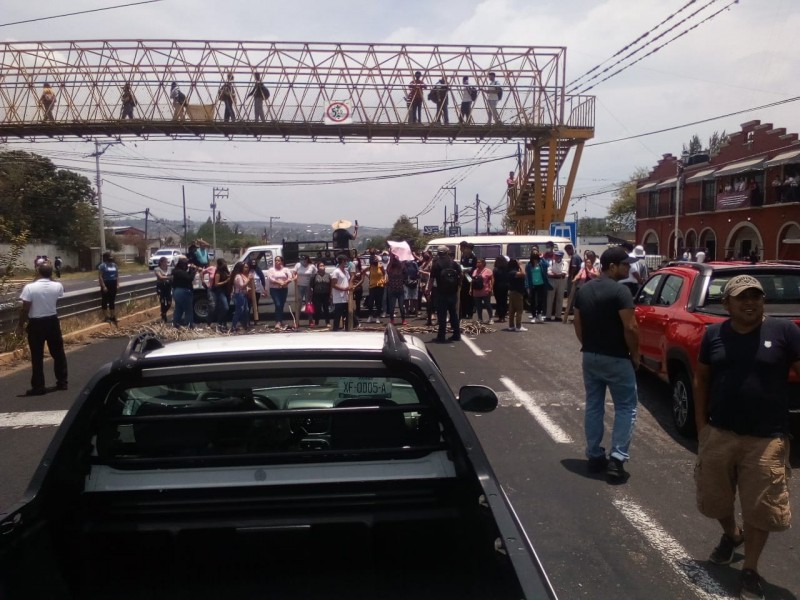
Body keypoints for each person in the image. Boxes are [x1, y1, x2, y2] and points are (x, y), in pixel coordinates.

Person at [693, 275, 800, 600]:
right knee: (714, 500)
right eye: (742, 298)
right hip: (720, 433)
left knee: (760, 507)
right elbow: (701, 378)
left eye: (756, 296)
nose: (750, 302)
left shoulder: (784, 331)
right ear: (727, 304)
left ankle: (750, 569)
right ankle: (732, 534)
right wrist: (701, 426)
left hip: (766, 438)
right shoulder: (713, 334)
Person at [573, 246, 640, 483]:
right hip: (617, 358)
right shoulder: (621, 292)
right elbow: (630, 327)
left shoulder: (584, 290)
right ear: (612, 266)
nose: (629, 268)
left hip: (590, 356)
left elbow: (577, 323)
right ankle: (617, 459)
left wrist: (589, 345)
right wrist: (635, 354)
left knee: (594, 404)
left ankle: (594, 455)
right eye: (625, 264)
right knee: (625, 407)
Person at [16, 261, 68, 396]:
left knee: (37, 356)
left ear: (38, 272)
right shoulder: (58, 286)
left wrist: (20, 325)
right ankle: (62, 382)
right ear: (51, 273)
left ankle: (39, 386)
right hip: (52, 321)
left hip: (36, 323)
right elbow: (58, 295)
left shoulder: (29, 288)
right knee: (58, 353)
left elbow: (25, 308)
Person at [428, 245, 462, 343]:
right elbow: (461, 275)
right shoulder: (454, 263)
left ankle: (441, 336)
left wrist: (428, 291)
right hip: (452, 292)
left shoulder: (436, 264)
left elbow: (431, 279)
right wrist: (458, 285)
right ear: (447, 252)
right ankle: (456, 334)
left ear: (438, 253)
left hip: (441, 293)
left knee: (442, 315)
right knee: (453, 314)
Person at [266, 256, 293, 330]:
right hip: (274, 290)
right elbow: (270, 278)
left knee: (281, 305)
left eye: (279, 260)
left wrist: (285, 283)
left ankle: (280, 320)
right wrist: (279, 282)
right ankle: (277, 322)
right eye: (276, 260)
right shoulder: (271, 270)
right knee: (277, 304)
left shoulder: (286, 269)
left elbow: (290, 277)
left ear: (282, 261)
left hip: (284, 289)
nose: (277, 262)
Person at [525, 251, 550, 323]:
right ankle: (534, 316)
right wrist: (527, 286)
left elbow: (547, 264)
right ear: (531, 258)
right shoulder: (528, 265)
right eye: (534, 258)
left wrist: (542, 258)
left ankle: (539, 313)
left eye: (536, 257)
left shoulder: (541, 263)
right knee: (532, 301)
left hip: (541, 284)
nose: (535, 259)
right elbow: (527, 276)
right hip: (532, 284)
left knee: (540, 300)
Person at [171, 257, 196, 328]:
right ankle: (189, 325)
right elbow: (189, 278)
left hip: (176, 291)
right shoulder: (179, 272)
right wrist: (192, 270)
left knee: (179, 309)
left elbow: (186, 276)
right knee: (188, 309)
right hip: (183, 291)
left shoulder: (176, 271)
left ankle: (175, 324)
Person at [385, 251, 407, 326]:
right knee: (395, 306)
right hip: (395, 289)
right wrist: (392, 258)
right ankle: (396, 320)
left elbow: (403, 265)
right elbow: (388, 269)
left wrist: (395, 257)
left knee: (398, 306)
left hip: (397, 290)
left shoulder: (398, 268)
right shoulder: (393, 269)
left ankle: (400, 320)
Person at [330, 254, 352, 331]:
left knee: (347, 314)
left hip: (346, 297)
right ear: (342, 261)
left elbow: (348, 282)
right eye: (346, 261)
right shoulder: (336, 272)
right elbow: (333, 284)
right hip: (339, 297)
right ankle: (335, 329)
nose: (347, 263)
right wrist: (343, 289)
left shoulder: (346, 272)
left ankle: (347, 329)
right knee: (338, 315)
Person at [545, 250, 568, 321]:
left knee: (560, 298)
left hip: (561, 281)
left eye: (558, 255)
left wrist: (554, 274)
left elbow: (563, 273)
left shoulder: (565, 263)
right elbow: (548, 273)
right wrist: (557, 274)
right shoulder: (551, 262)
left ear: (561, 256)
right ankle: (548, 316)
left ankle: (558, 316)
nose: (556, 257)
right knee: (550, 298)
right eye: (556, 255)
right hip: (552, 281)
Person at [471, 257, 494, 324]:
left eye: (479, 262)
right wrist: (470, 289)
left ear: (483, 263)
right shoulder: (475, 271)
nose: (477, 263)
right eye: (477, 262)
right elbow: (472, 281)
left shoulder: (488, 270)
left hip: (485, 291)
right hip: (476, 291)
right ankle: (480, 319)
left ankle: (491, 318)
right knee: (478, 306)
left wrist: (491, 287)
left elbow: (492, 279)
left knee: (487, 305)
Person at [98, 251, 119, 325]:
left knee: (112, 300)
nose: (111, 258)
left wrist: (117, 284)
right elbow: (100, 277)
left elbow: (117, 275)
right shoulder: (102, 266)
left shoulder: (114, 265)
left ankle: (112, 316)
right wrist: (103, 286)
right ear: (106, 258)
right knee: (105, 300)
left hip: (113, 283)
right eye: (109, 256)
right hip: (106, 283)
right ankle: (106, 317)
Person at [229, 261, 250, 333]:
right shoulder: (238, 276)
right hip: (239, 295)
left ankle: (244, 325)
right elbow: (241, 285)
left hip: (243, 294)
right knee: (239, 310)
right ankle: (233, 326)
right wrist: (249, 280)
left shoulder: (241, 275)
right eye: (245, 267)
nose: (246, 269)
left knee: (246, 310)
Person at [506, 258, 527, 332]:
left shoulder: (510, 272)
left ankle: (511, 326)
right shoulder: (513, 272)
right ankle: (518, 326)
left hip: (512, 292)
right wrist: (521, 265)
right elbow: (523, 274)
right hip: (517, 292)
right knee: (519, 310)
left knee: (512, 310)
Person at [365, 253, 385, 323]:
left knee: (378, 302)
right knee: (370, 302)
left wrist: (383, 280)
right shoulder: (370, 267)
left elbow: (384, 273)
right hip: (372, 286)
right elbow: (363, 272)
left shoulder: (380, 266)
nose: (376, 261)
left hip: (380, 285)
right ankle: (370, 315)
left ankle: (377, 317)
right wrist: (369, 277)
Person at [310, 261, 332, 328]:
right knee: (317, 309)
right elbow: (311, 286)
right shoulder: (314, 276)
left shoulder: (328, 275)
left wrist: (331, 294)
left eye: (323, 265)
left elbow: (331, 285)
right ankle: (316, 322)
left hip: (326, 294)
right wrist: (311, 295)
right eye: (320, 266)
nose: (322, 267)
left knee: (326, 309)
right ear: (317, 268)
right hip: (317, 294)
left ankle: (327, 322)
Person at [459, 242, 477, 319]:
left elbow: (474, 268)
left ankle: (470, 313)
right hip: (463, 278)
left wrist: (468, 270)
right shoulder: (463, 256)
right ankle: (463, 313)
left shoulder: (473, 257)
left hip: (470, 278)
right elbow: (461, 264)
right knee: (462, 296)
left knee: (470, 296)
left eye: (467, 248)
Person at [211, 258, 230, 331]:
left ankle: (224, 324)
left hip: (227, 291)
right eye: (223, 263)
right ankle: (219, 323)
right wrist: (226, 281)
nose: (225, 264)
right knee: (225, 307)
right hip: (220, 291)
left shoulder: (226, 271)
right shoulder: (218, 273)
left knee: (225, 308)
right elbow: (216, 284)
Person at [154, 256, 173, 323]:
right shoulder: (157, 269)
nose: (166, 263)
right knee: (162, 301)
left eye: (167, 262)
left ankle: (164, 313)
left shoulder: (170, 269)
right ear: (161, 262)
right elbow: (160, 277)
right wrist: (170, 277)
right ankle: (164, 316)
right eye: (165, 262)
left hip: (168, 287)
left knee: (169, 302)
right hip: (161, 287)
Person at [492, 255, 510, 324]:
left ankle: (500, 316)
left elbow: (493, 278)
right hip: (505, 286)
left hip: (497, 286)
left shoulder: (496, 269)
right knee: (504, 301)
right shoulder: (507, 268)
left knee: (499, 302)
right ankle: (503, 316)